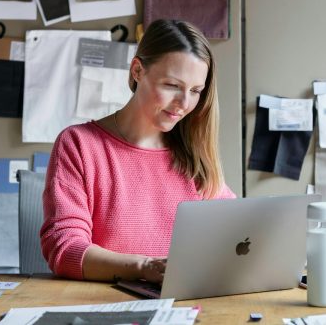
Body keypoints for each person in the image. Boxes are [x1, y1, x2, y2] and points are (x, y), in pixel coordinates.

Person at [40, 19, 236, 284]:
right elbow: (64, 250)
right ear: (137, 71)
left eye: (195, 91)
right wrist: (145, 267)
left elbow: (238, 232)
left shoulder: (194, 156)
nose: (184, 103)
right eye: (172, 86)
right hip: (105, 305)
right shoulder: (79, 144)